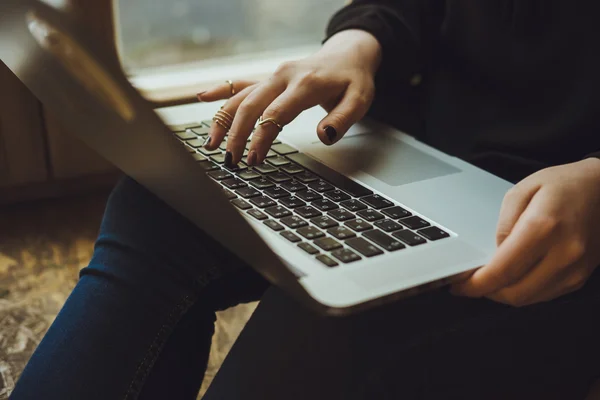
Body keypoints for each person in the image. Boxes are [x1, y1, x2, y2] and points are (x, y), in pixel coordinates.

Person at [11, 1, 600, 399]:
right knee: (160, 204)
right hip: (424, 142)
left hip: (553, 211)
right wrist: (356, 41)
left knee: (333, 313)